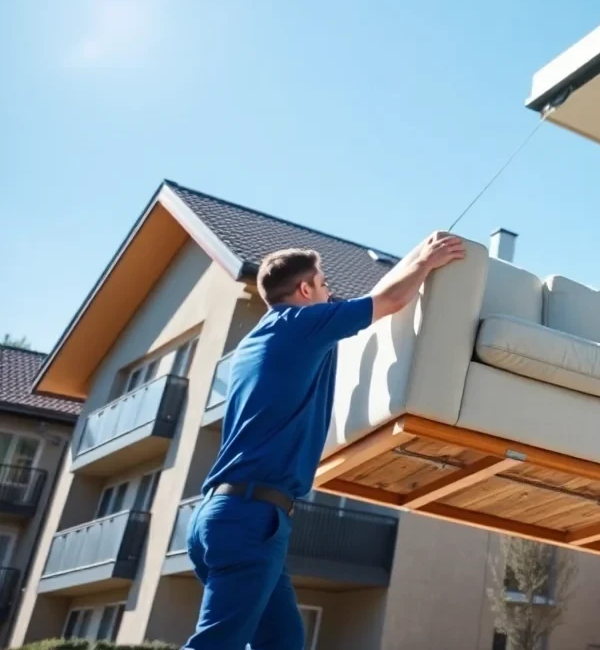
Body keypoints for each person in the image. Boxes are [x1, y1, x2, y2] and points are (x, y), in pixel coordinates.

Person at [183, 231, 467, 650]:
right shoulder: (302, 326)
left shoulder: (261, 338)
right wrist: (426, 262)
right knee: (216, 644)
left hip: (226, 515)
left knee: (282, 640)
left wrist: (411, 263)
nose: (329, 292)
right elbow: (390, 301)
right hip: (250, 517)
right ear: (304, 290)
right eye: (323, 283)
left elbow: (371, 303)